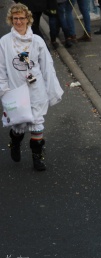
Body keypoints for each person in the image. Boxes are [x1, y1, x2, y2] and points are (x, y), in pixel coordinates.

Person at [0, 3, 64, 171]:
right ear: (11, 20)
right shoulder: (4, 42)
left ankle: (37, 158)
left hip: (36, 90)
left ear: (28, 19)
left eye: (22, 18)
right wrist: (4, 90)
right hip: (16, 90)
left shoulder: (37, 41)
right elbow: (1, 68)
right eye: (15, 19)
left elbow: (47, 67)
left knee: (37, 123)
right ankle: (15, 142)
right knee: (19, 126)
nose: (19, 22)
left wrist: (52, 89)